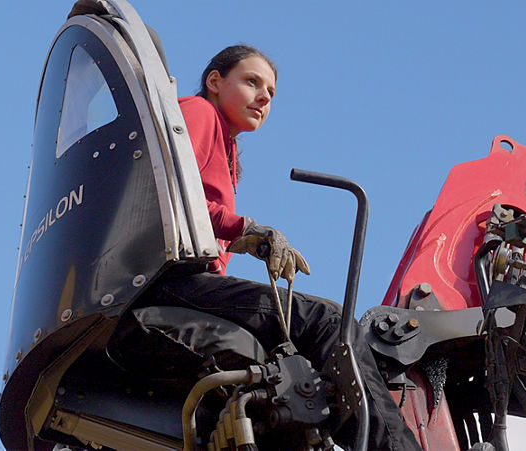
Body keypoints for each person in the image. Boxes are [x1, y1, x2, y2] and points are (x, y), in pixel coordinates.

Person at [157, 44, 421, 451]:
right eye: (252, 82)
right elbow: (171, 190)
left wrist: (242, 235)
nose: (264, 97)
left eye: (271, 92)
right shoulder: (198, 111)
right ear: (215, 81)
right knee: (327, 320)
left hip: (185, 280)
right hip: (175, 280)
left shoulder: (225, 148)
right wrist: (247, 229)